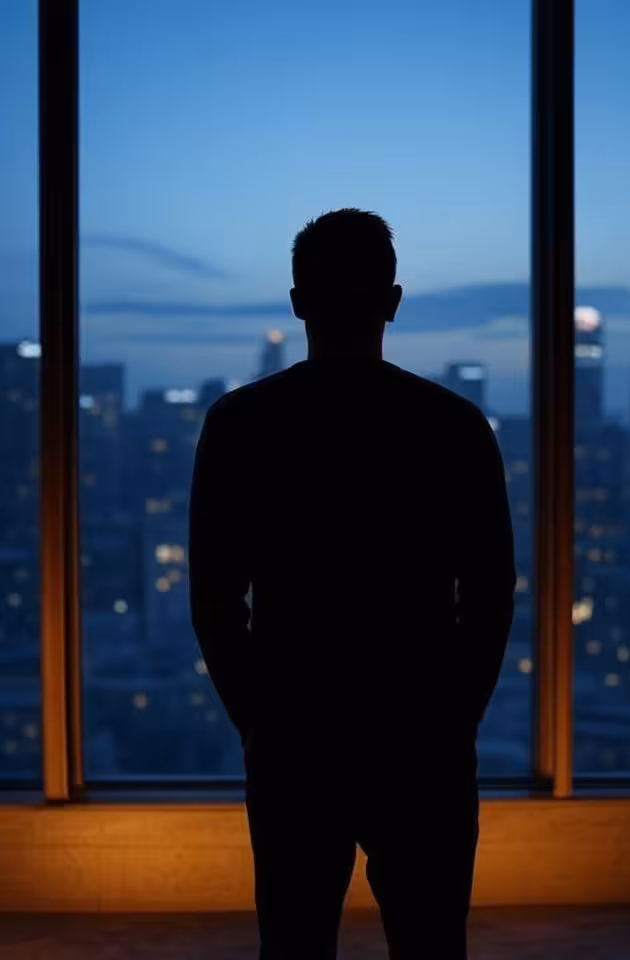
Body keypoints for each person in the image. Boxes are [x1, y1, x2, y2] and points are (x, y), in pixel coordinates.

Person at [189, 208, 516, 959]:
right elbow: (492, 594)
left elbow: (213, 601)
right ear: (393, 301)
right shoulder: (455, 425)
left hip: (297, 733)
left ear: (297, 301)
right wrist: (453, 716)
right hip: (421, 733)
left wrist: (262, 720)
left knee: (296, 943)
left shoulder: (241, 423)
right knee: (431, 941)